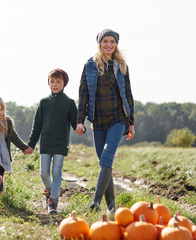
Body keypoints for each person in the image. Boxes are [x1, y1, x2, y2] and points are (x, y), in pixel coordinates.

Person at [76, 29, 135, 214]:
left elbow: (128, 94)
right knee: (104, 161)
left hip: (118, 118)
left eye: (112, 42)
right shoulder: (90, 65)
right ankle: (112, 207)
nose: (109, 45)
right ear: (99, 44)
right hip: (98, 119)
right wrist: (80, 120)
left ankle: (95, 203)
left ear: (116, 44)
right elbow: (83, 94)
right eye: (105, 41)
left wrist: (131, 122)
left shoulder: (121, 65)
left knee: (107, 157)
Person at [26, 69, 78, 214]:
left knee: (56, 172)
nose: (55, 84)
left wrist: (80, 128)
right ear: (48, 83)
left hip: (60, 143)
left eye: (58, 82)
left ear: (64, 83)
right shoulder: (43, 103)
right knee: (43, 173)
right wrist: (31, 144)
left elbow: (75, 122)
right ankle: (51, 191)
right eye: (52, 81)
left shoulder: (69, 103)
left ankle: (53, 202)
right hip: (46, 144)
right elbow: (36, 126)